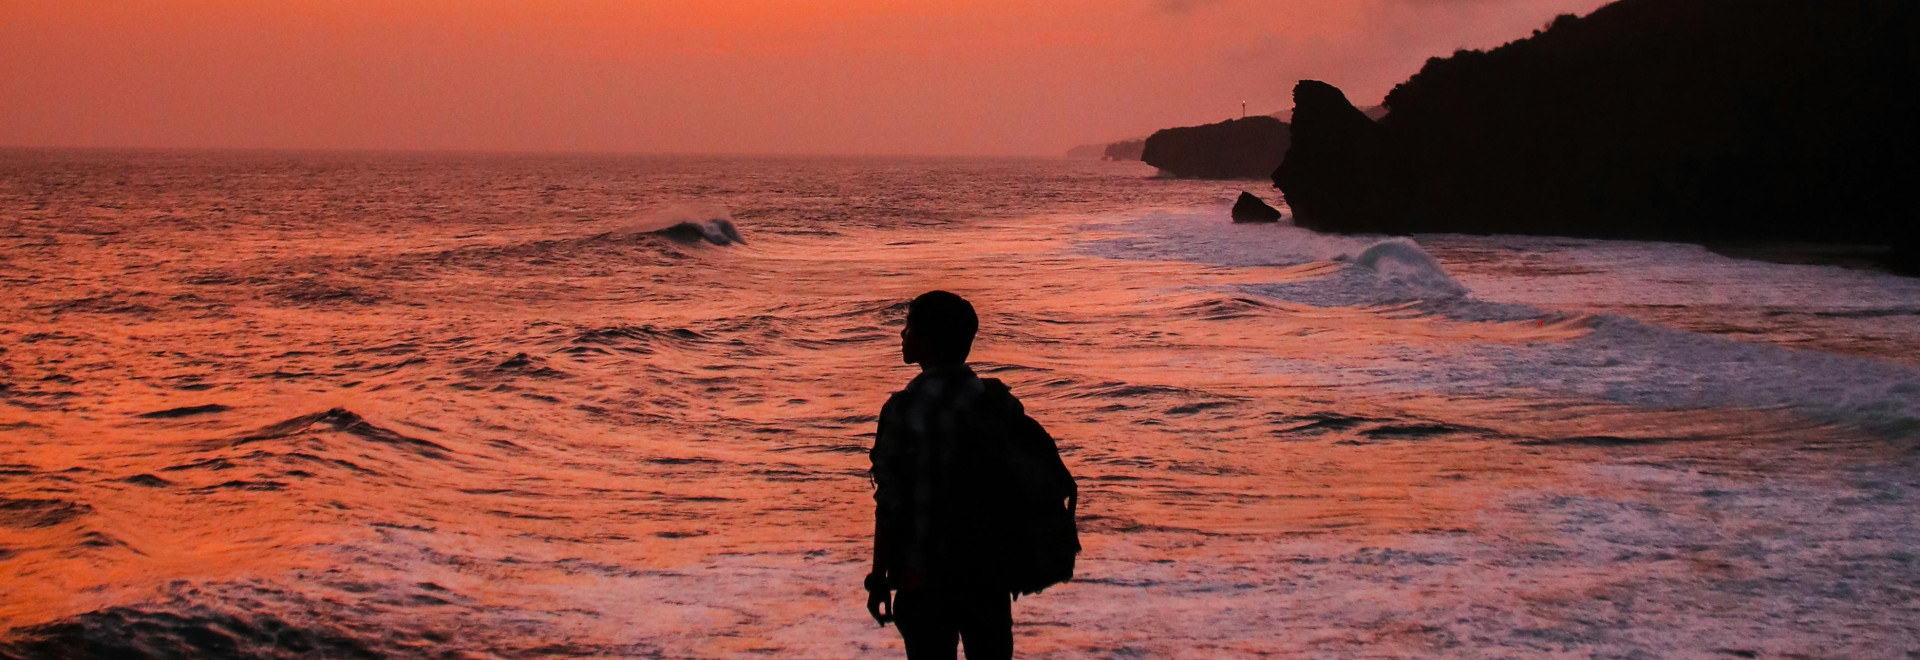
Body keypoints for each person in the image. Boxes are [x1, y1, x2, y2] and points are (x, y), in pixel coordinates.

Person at [866, 290, 1048, 660]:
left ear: (928, 343)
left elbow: (889, 502)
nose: (902, 335)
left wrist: (880, 580)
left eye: (909, 328)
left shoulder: (902, 409)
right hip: (987, 576)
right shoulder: (997, 401)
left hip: (922, 578)